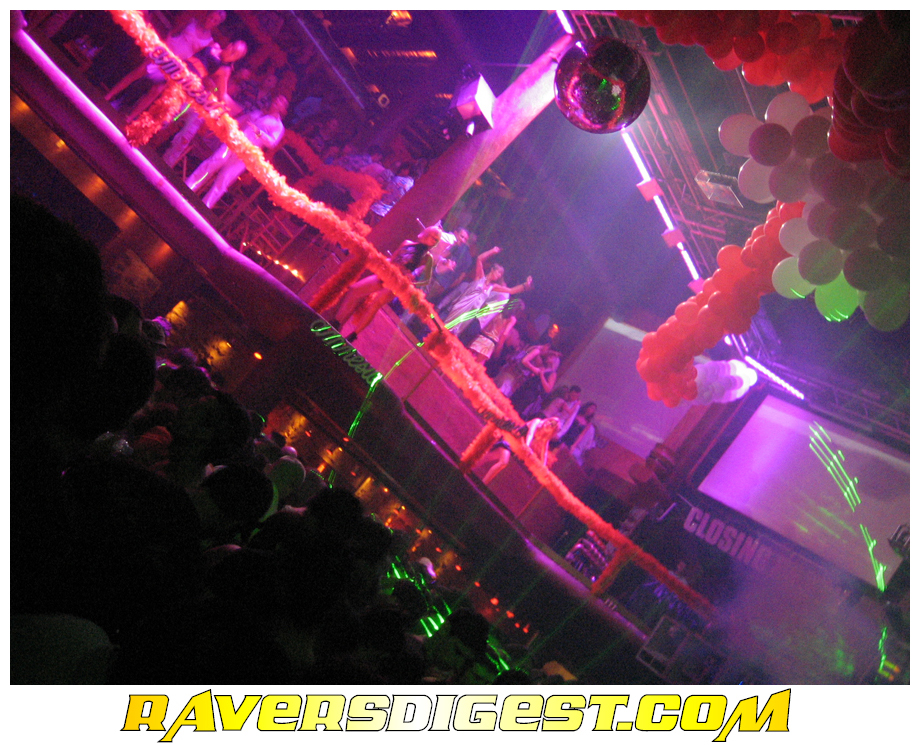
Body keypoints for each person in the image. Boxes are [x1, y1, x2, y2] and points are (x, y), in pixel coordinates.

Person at [105, 10, 227, 122]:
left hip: (176, 66)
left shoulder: (209, 42)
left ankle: (130, 117)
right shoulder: (192, 22)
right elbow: (174, 31)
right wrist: (164, 45)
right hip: (164, 52)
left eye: (215, 20)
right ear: (207, 15)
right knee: (139, 72)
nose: (211, 21)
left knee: (156, 90)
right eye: (211, 17)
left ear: (218, 24)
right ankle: (109, 96)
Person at [332, 225, 443, 342]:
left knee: (375, 305)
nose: (433, 241)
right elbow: (393, 258)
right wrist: (379, 262)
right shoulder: (407, 243)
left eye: (436, 240)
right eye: (432, 237)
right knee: (355, 290)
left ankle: (352, 335)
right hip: (386, 274)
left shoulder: (427, 257)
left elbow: (427, 280)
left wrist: (412, 282)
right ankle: (337, 323)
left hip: (397, 284)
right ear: (426, 234)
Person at [185, 94, 288, 209]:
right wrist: (222, 128)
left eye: (281, 101)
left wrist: (259, 132)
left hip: (247, 154)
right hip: (234, 142)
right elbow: (238, 122)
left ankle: (204, 206)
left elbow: (272, 143)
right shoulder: (258, 112)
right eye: (277, 98)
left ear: (283, 109)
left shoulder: (278, 126)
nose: (277, 100)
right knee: (214, 161)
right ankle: (188, 187)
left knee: (224, 179)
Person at [162, 39, 249, 167]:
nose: (231, 55)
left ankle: (165, 165)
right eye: (233, 51)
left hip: (200, 102)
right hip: (185, 87)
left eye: (235, 56)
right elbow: (195, 58)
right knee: (166, 117)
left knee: (185, 138)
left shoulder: (225, 70)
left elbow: (222, 94)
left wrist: (235, 111)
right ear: (230, 45)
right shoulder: (214, 46)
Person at [441, 246, 531, 338]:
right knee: (446, 327)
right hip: (463, 305)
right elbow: (479, 259)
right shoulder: (480, 277)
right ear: (492, 270)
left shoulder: (493, 287)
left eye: (501, 274)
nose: (499, 276)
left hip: (471, 313)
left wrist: (525, 285)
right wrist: (492, 251)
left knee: (453, 334)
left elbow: (511, 290)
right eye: (499, 272)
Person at [468, 299, 522, 366]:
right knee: (475, 366)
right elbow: (504, 334)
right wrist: (499, 347)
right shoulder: (512, 319)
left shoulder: (499, 310)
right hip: (489, 343)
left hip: (480, 337)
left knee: (464, 358)